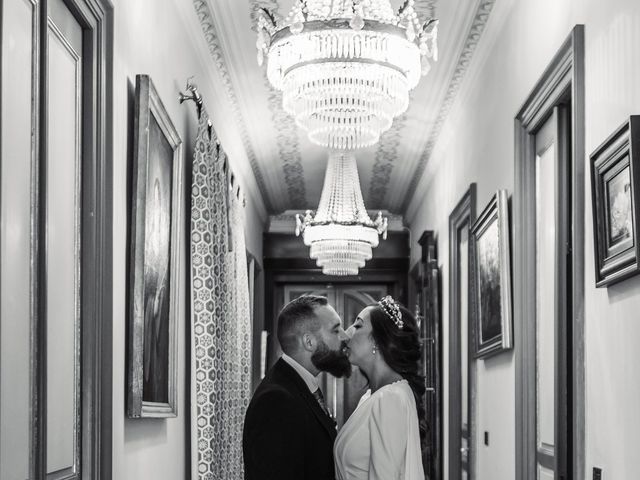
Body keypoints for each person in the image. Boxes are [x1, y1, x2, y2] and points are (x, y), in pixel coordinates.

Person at [243, 295, 351, 480]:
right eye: (335, 330)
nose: (345, 336)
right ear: (309, 342)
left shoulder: (299, 384)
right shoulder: (276, 401)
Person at [334, 295, 426, 480]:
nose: (347, 333)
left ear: (377, 340)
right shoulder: (371, 397)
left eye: (358, 325)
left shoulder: (390, 399)